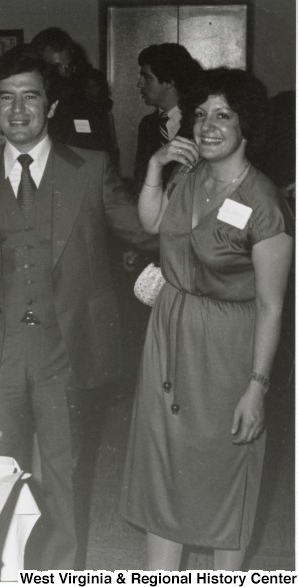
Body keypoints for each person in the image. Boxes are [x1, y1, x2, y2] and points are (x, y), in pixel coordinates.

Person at [0, 54, 154, 570]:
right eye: (6, 97)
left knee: (65, 474)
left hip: (64, 351)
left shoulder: (89, 169)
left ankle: (59, 573)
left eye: (30, 96)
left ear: (52, 104)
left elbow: (145, 229)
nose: (18, 109)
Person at [121, 68, 293, 571]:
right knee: (163, 463)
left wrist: (256, 388)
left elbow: (272, 305)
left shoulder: (264, 204)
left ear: (246, 126)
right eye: (200, 115)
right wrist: (155, 167)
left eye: (224, 115)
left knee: (224, 469)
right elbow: (153, 223)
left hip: (227, 349)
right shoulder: (188, 177)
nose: (207, 126)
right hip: (169, 335)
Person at [29, 28, 118, 164]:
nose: (63, 74)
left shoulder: (85, 103)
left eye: (68, 67)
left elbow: (105, 153)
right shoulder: (28, 105)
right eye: (55, 68)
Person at [133, 43, 202, 191]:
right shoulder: (147, 125)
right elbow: (140, 179)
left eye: (147, 77)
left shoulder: (199, 122)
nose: (139, 84)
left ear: (170, 81)